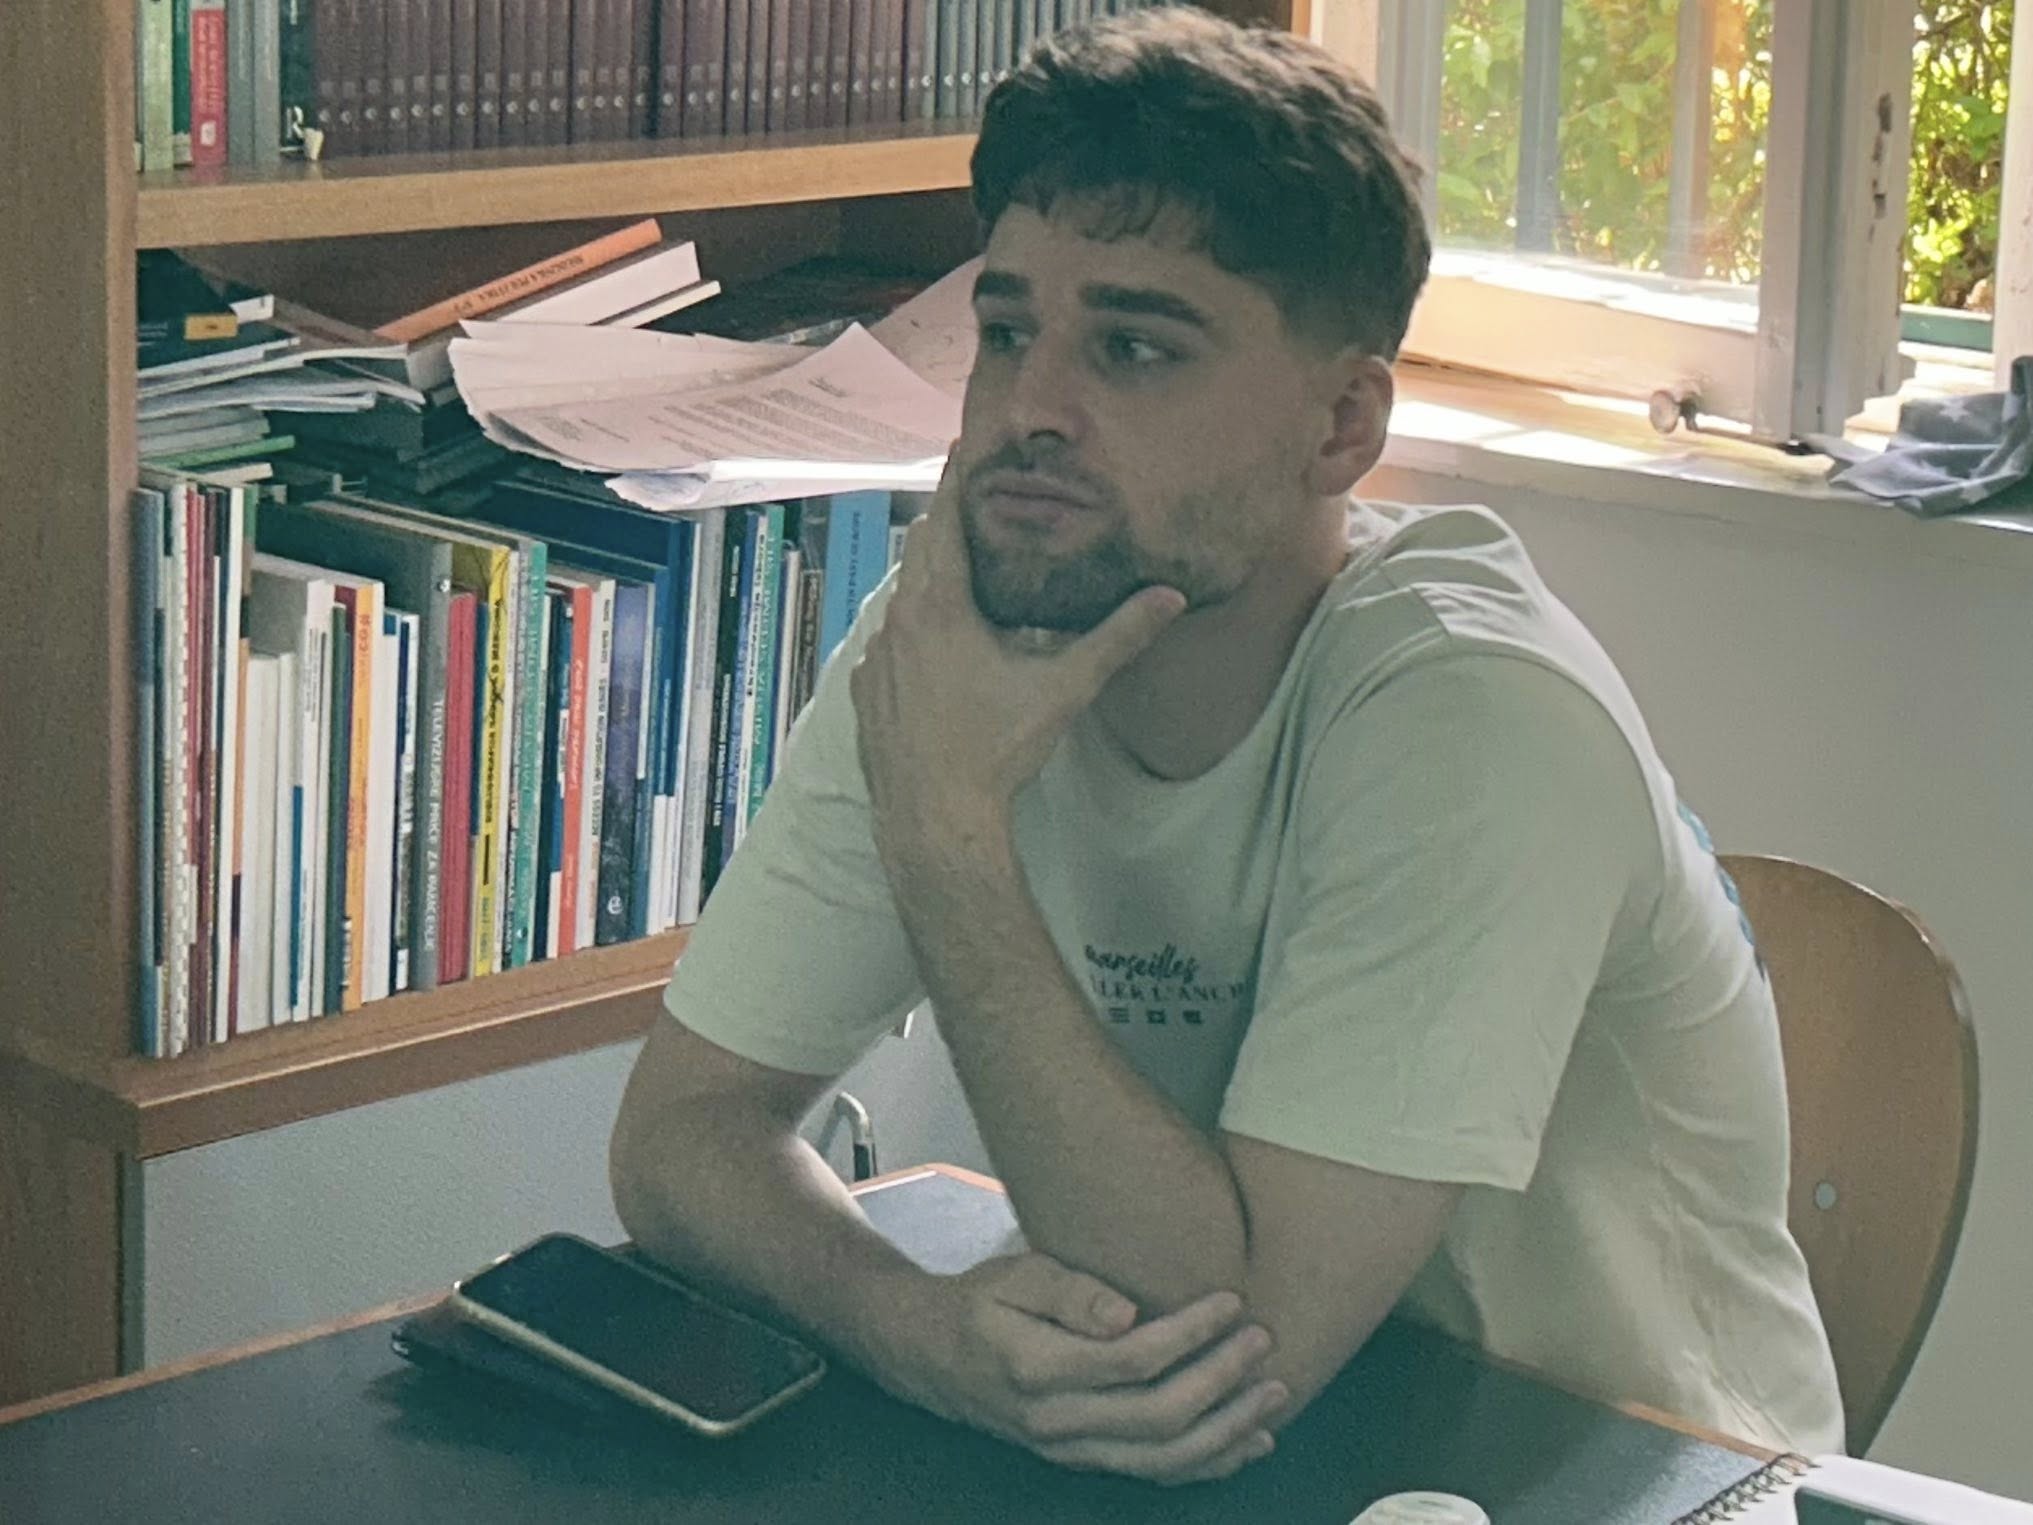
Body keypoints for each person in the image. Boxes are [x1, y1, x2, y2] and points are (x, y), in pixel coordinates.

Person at [609, 6, 1844, 1486]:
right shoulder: (954, 639)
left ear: (1341, 426)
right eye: (1007, 332)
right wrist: (914, 1325)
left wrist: (946, 835)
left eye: (1132, 348)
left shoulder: (1475, 714)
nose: (1028, 411)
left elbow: (1214, 1357)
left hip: (1630, 1485)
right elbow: (677, 1136)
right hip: (1268, 1470)